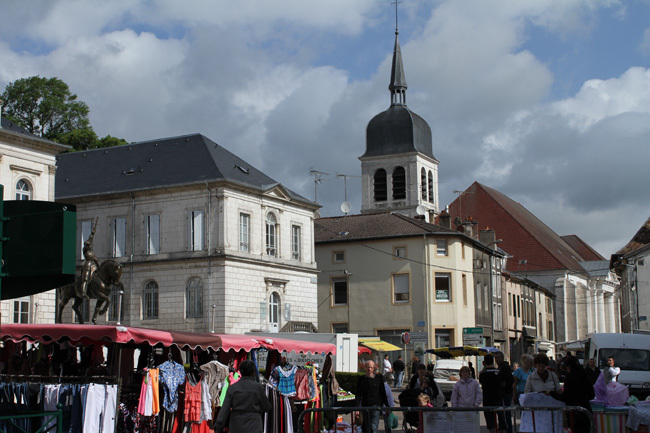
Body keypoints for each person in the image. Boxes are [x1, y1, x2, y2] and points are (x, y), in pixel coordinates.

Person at [214, 359, 271, 433]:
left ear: (240, 372)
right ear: (253, 372)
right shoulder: (258, 388)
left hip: (237, 425)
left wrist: (218, 426)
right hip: (254, 426)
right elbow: (267, 407)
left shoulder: (232, 388)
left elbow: (224, 410)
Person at [549, 356, 595, 433]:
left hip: (574, 413)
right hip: (586, 411)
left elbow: (565, 397)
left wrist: (551, 393)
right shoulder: (584, 375)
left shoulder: (570, 377)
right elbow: (592, 394)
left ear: (568, 366)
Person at [356, 360, 389, 433]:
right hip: (365, 405)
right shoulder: (362, 379)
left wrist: (387, 405)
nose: (369, 369)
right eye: (368, 367)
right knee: (367, 426)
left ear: (374, 368)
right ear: (365, 368)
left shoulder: (378, 378)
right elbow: (358, 394)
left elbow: (383, 392)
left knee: (373, 426)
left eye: (371, 367)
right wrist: (357, 408)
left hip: (376, 405)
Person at [479, 354, 507, 433]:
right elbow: (503, 384)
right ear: (493, 361)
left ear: (484, 362)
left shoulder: (482, 374)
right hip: (498, 398)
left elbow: (482, 383)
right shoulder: (499, 372)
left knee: (490, 421)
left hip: (487, 399)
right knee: (502, 419)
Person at [78, 220, 101, 300]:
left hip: (94, 266)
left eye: (89, 245)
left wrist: (99, 264)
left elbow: (96, 259)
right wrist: (92, 234)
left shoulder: (92, 253)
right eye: (88, 244)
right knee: (85, 279)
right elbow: (89, 241)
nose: (89, 245)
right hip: (88, 265)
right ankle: (83, 292)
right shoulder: (85, 250)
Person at [494, 351, 514, 433]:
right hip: (503, 393)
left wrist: (504, 385)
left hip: (506, 393)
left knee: (506, 413)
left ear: (502, 358)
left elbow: (510, 379)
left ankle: (508, 430)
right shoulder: (500, 367)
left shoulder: (504, 367)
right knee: (503, 413)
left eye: (497, 358)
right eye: (495, 358)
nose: (496, 360)